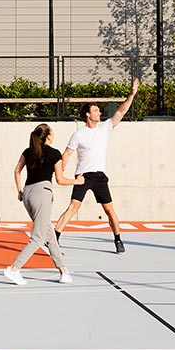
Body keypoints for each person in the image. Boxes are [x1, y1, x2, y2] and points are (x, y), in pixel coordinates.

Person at [54, 78, 140, 254]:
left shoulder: (105, 128)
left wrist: (132, 94)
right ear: (87, 114)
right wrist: (61, 167)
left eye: (99, 110)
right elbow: (67, 153)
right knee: (73, 207)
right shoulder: (78, 134)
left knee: (109, 210)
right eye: (95, 110)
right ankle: (54, 239)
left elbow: (121, 112)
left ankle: (118, 239)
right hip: (83, 177)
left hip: (100, 177)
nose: (99, 113)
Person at [4, 122, 76, 285]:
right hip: (42, 193)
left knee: (49, 234)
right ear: (48, 135)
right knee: (37, 237)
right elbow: (60, 179)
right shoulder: (54, 153)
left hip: (28, 194)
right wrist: (77, 181)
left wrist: (19, 190)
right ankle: (14, 268)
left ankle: (63, 271)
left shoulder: (28, 151)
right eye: (52, 131)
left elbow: (17, 170)